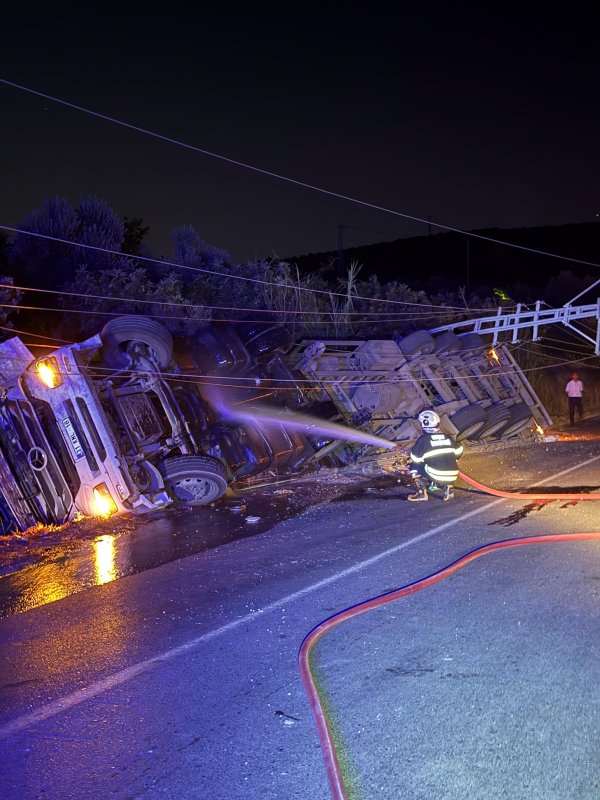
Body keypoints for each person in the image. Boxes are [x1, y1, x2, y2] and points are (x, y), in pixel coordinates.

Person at [407, 409, 463, 502]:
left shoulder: (424, 439)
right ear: (438, 424)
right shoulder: (448, 437)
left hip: (437, 474)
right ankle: (448, 487)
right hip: (452, 475)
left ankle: (421, 493)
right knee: (440, 464)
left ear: (422, 425)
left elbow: (415, 458)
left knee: (413, 466)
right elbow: (459, 450)